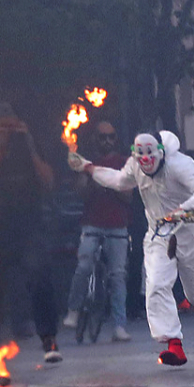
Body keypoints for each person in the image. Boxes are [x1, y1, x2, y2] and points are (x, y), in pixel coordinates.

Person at [69, 131, 194, 366]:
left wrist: (183, 211)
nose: (145, 161)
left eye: (150, 154)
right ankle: (173, 343)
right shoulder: (134, 165)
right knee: (156, 283)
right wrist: (89, 168)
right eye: (139, 154)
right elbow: (120, 181)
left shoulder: (180, 165)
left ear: (161, 153)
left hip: (193, 231)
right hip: (159, 232)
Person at [0, 102, 63, 364]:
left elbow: (48, 181)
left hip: (29, 222)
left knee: (40, 275)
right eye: (4, 124)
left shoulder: (30, 144)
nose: (9, 129)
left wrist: (30, 144)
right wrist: (0, 146)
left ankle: (49, 338)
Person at [62, 120, 134, 342]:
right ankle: (73, 310)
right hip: (92, 224)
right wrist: (86, 173)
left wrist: (107, 179)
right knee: (84, 265)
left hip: (118, 226)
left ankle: (119, 326)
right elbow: (81, 194)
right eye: (102, 137)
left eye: (111, 136)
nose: (107, 141)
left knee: (118, 276)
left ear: (116, 138)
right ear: (95, 139)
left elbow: (127, 195)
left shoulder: (124, 163)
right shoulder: (87, 163)